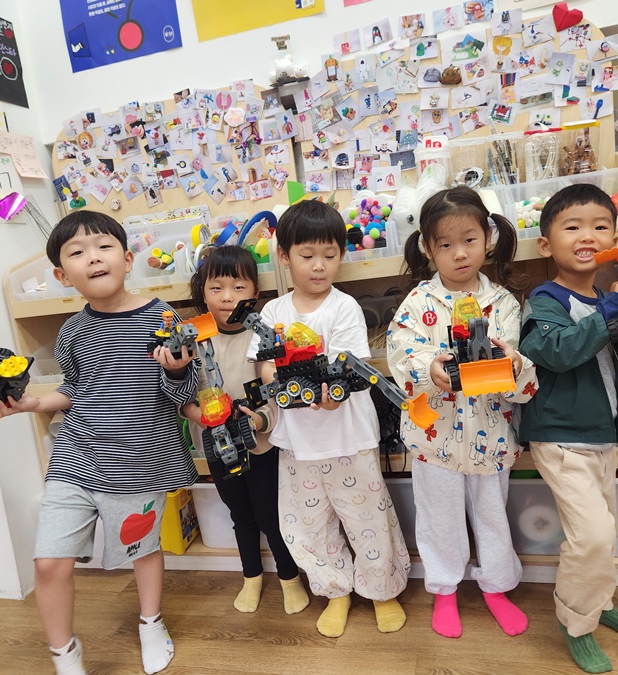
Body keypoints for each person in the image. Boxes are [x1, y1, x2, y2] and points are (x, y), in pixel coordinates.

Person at [0, 212, 198, 675]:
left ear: (127, 258)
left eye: (103, 246)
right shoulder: (71, 331)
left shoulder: (163, 318)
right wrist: (34, 403)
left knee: (142, 550)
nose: (93, 258)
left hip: (140, 460)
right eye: (77, 252)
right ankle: (65, 656)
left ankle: (151, 623)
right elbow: (75, 389)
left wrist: (178, 370)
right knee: (48, 562)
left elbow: (183, 396)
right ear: (63, 276)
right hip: (76, 456)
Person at [246, 199, 411, 638]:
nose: (319, 266)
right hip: (297, 445)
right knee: (307, 525)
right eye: (307, 255)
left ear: (341, 254)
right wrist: (279, 382)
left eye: (329, 254)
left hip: (348, 438)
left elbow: (348, 367)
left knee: (368, 519)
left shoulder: (344, 307)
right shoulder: (272, 313)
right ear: (284, 256)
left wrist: (332, 398)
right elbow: (264, 366)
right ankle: (335, 590)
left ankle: (382, 591)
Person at [387, 186, 539, 639]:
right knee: (439, 519)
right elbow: (400, 354)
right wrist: (428, 369)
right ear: (427, 248)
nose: (459, 253)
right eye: (446, 244)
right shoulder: (417, 302)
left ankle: (497, 586)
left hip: (492, 437)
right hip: (434, 439)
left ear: (487, 238)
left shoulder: (503, 303)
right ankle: (444, 590)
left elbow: (520, 368)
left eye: (469, 240)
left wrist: (511, 364)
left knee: (493, 515)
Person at [519, 184, 618, 674]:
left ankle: (600, 602)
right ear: (546, 244)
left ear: (614, 239)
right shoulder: (544, 300)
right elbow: (556, 351)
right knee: (590, 536)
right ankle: (576, 623)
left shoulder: (608, 299)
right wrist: (612, 310)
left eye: (600, 226)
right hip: (560, 437)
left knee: (606, 531)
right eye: (572, 227)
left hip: (602, 433)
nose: (588, 235)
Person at [181, 246, 309, 615]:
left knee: (271, 514)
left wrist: (260, 420)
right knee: (240, 514)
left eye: (238, 287)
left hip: (262, 442)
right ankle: (251, 575)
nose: (227, 297)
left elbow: (277, 393)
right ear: (202, 291)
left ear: (255, 291)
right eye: (216, 287)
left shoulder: (262, 335)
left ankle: (289, 576)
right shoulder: (194, 340)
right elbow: (181, 397)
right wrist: (202, 415)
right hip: (218, 443)